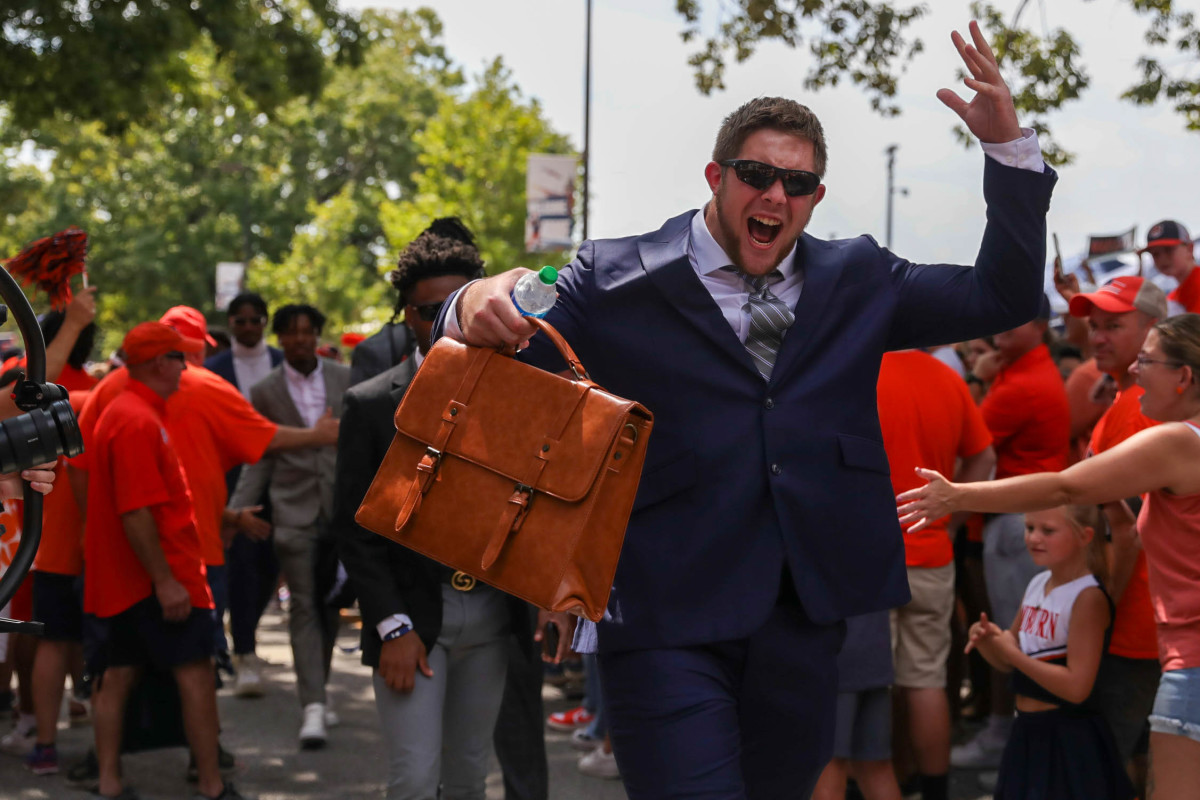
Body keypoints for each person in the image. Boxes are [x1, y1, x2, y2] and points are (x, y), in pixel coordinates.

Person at [437, 21, 1055, 797]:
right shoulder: (615, 275)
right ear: (717, 176)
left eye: (796, 184)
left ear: (815, 197)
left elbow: (1005, 294)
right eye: (757, 173)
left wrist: (1009, 153)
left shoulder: (860, 277)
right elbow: (490, 341)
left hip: (804, 616)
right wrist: (472, 296)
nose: (775, 195)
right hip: (663, 612)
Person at [898, 313, 1200, 800]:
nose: (1135, 370)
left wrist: (957, 495)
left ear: (1184, 377)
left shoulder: (1178, 441)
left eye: (1147, 360)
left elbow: (1066, 485)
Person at [333, 219, 568, 799]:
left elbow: (539, 506)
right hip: (413, 621)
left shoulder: (523, 393)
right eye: (425, 309)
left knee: (468, 776)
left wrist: (551, 598)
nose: (441, 319)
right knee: (413, 779)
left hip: (491, 619)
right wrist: (391, 626)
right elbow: (353, 528)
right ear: (406, 315)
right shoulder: (368, 405)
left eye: (454, 302)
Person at [82, 322, 245, 800]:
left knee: (119, 674)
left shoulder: (132, 411)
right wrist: (167, 582)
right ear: (159, 363)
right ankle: (212, 786)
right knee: (195, 673)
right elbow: (136, 511)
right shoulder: (134, 418)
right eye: (179, 357)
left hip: (135, 582)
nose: (187, 366)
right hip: (160, 580)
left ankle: (110, 781)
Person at [953, 297, 1071, 772]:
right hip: (1018, 518)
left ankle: (1006, 736)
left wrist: (980, 378)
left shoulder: (1022, 382)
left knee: (1010, 638)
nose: (1002, 324)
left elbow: (972, 444)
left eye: (1016, 317)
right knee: (1014, 634)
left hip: (1016, 522)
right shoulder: (1025, 372)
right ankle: (1009, 734)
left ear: (1040, 326)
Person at [227, 304, 349, 749]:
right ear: (279, 339)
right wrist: (240, 511)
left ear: (317, 334)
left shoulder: (345, 378)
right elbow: (260, 455)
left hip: (340, 512)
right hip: (292, 512)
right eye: (291, 334)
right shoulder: (264, 391)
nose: (299, 340)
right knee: (302, 604)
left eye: (306, 332)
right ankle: (313, 706)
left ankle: (319, 686)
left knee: (330, 605)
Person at [1063, 276, 1168, 790]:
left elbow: (1126, 533)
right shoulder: (1130, 399)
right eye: (1095, 326)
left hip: (1132, 625)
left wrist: (1098, 615)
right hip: (1140, 622)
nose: (1098, 337)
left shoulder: (1141, 409)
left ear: (1153, 330)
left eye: (1114, 326)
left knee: (1099, 770)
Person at [877, 349, 995, 800]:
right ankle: (932, 789)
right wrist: (949, 518)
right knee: (925, 680)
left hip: (872, 558)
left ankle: (881, 780)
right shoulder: (948, 377)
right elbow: (983, 458)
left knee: (873, 683)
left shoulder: (859, 366)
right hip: (932, 550)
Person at [963, 504, 1135, 800]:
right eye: (1029, 528)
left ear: (1085, 536)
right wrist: (987, 640)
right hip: (1027, 732)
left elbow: (1077, 687)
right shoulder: (1038, 583)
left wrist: (1012, 654)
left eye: (1048, 530)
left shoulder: (1088, 596)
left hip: (1068, 739)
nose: (1033, 538)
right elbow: (1006, 660)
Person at [205, 292, 284, 694]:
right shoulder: (213, 369)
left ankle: (246, 633)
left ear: (265, 323)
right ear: (231, 323)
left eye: (256, 320)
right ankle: (244, 652)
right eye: (241, 321)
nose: (249, 327)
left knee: (270, 566)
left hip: (282, 483)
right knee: (240, 567)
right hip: (233, 483)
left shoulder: (282, 363)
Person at [1142, 220, 1198, 315]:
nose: (1162, 259)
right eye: (1155, 254)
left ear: (1190, 248)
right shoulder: (1172, 297)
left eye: (1168, 250)